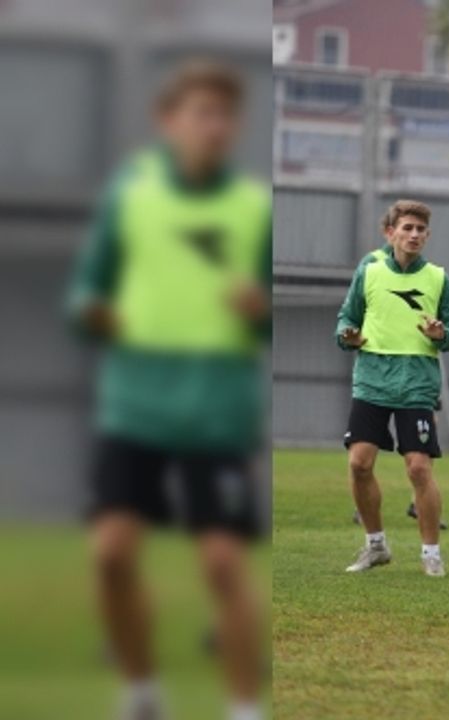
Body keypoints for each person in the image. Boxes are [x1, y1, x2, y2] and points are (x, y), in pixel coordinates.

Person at [68, 60, 270, 720]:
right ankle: (141, 692)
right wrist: (96, 313)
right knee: (111, 554)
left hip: (214, 410)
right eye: (200, 113)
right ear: (167, 121)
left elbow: (271, 313)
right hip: (135, 404)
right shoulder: (131, 195)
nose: (213, 126)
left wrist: (257, 307)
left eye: (224, 114)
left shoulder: (250, 209)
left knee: (220, 563)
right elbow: (85, 291)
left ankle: (244, 707)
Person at [336, 199, 449, 577]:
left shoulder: (438, 279)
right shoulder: (370, 271)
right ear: (390, 232)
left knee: (418, 469)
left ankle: (431, 554)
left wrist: (443, 334)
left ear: (427, 236)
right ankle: (375, 545)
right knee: (359, 463)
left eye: (420, 230)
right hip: (373, 380)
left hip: (416, 384)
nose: (413, 235)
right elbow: (347, 316)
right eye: (406, 228)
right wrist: (348, 336)